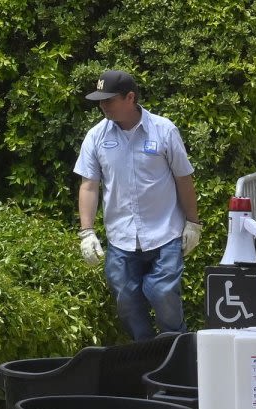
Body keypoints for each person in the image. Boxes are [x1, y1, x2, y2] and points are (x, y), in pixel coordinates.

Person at [74, 69, 202, 340]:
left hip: (164, 233)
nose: (102, 106)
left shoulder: (164, 130)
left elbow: (183, 179)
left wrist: (193, 223)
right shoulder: (96, 137)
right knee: (126, 301)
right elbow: (89, 185)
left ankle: (177, 351)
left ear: (130, 97)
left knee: (162, 292)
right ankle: (145, 357)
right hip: (121, 237)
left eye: (109, 100)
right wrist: (87, 232)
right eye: (100, 100)